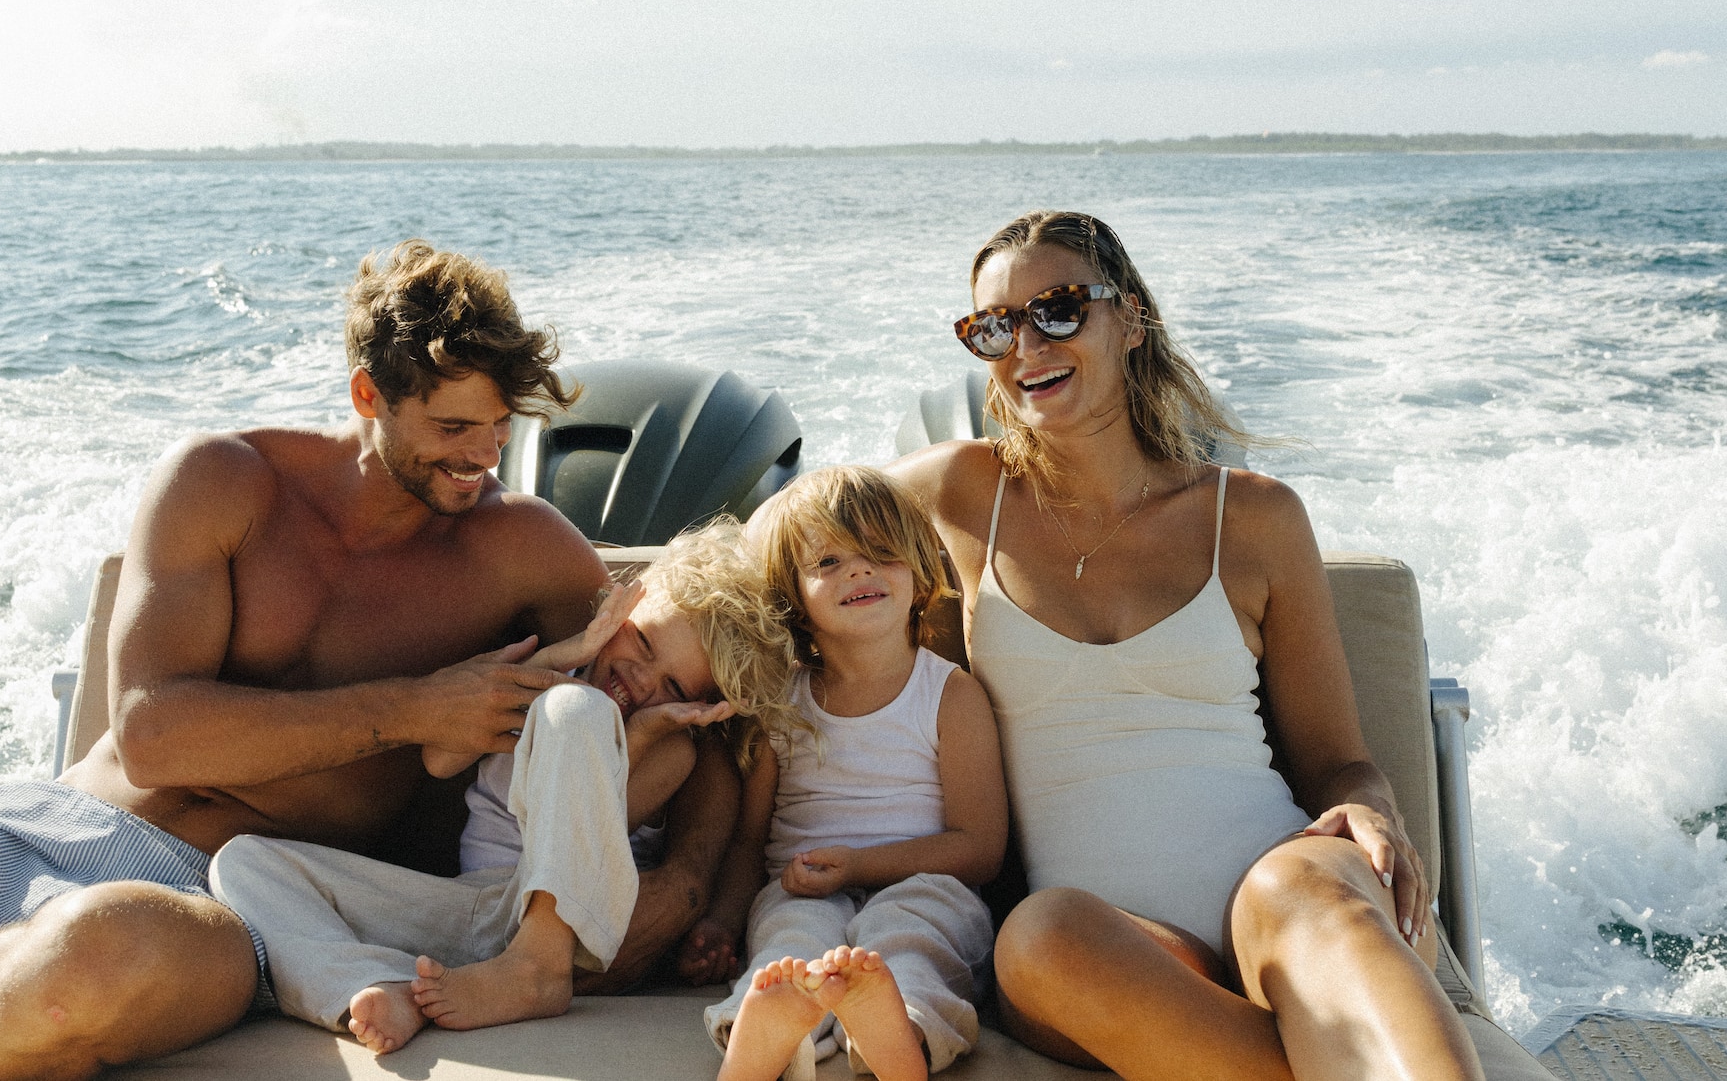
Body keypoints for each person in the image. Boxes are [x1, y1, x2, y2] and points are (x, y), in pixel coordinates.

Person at [0, 241, 739, 1081]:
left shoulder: (521, 551)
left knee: (86, 967)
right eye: (451, 426)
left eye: (498, 429)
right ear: (367, 395)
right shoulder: (224, 481)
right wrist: (416, 711)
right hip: (43, 829)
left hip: (234, 906)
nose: (483, 455)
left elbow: (713, 700)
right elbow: (155, 736)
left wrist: (691, 892)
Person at [887, 210, 1482, 1079]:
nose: (1025, 345)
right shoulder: (960, 493)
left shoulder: (1252, 517)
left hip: (1295, 899)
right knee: (1039, 932)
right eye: (993, 326)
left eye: (1055, 309)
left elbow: (1336, 761)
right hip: (1119, 946)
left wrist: (1374, 809)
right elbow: (783, 541)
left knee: (1291, 886)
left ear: (1129, 319)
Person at [211, 523, 797, 1055]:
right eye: (641, 641)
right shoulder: (547, 679)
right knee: (246, 862)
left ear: (699, 706)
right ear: (621, 608)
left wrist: (637, 734)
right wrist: (556, 661)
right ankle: (374, 984)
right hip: (471, 914)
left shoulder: (672, 751)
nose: (641, 678)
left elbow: (590, 835)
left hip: (569, 932)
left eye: (673, 684)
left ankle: (535, 969)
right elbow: (442, 759)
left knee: (580, 710)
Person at [696, 466, 1007, 1081]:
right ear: (794, 600)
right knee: (789, 938)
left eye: (880, 553)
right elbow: (748, 844)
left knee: (906, 937)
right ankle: (761, 1033)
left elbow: (980, 850)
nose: (859, 571)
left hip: (927, 883)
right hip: (802, 889)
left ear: (918, 572)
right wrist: (720, 922)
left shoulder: (950, 695)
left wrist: (859, 866)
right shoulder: (779, 705)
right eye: (829, 561)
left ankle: (901, 1032)